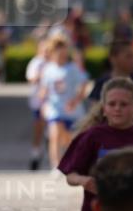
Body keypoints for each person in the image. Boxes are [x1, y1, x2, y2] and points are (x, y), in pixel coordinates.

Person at [58, 78, 133, 211]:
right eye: (112, 104)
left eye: (124, 104)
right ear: (104, 108)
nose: (117, 108)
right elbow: (70, 176)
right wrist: (84, 180)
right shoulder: (92, 136)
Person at [87, 40, 133, 133]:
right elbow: (93, 112)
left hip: (132, 131)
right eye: (129, 56)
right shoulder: (102, 82)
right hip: (109, 132)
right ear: (113, 59)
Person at [40, 36, 88, 169]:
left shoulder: (72, 68)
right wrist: (43, 103)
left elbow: (84, 84)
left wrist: (76, 100)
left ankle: (71, 162)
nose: (61, 56)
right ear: (52, 53)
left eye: (63, 53)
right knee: (54, 135)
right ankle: (56, 165)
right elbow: (44, 89)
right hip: (54, 109)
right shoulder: (48, 69)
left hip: (71, 110)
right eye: (57, 53)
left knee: (68, 140)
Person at [25, 39, 49, 170]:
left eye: (48, 50)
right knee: (38, 127)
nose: (46, 53)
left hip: (51, 100)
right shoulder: (36, 63)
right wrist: (41, 76)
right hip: (38, 100)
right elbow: (31, 78)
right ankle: (35, 153)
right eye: (44, 50)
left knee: (52, 126)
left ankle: (51, 152)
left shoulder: (53, 62)